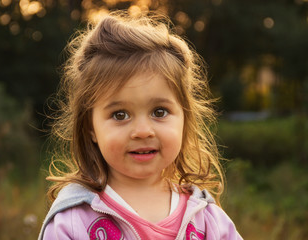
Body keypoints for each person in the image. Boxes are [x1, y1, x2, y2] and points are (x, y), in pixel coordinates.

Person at [38, 11, 242, 240]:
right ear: (90, 128)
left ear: (184, 118)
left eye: (159, 112)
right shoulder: (74, 220)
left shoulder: (206, 219)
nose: (143, 131)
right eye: (120, 115)